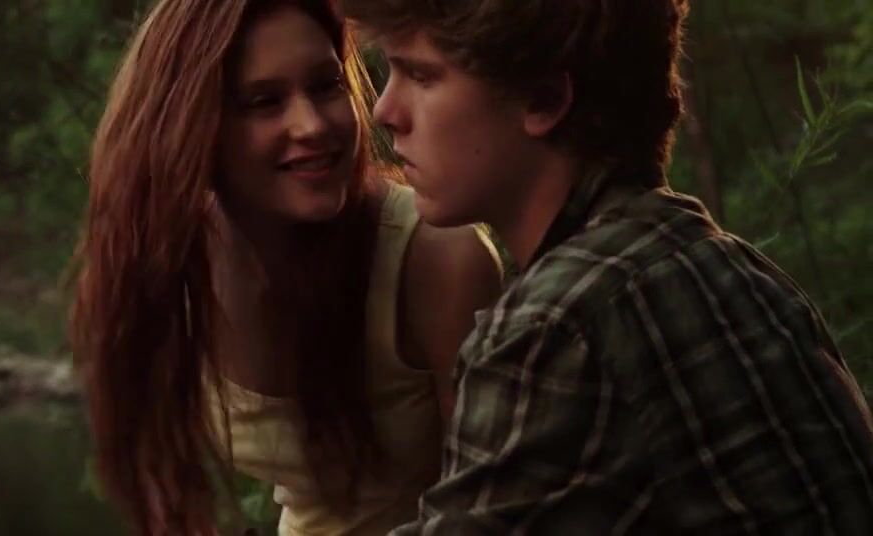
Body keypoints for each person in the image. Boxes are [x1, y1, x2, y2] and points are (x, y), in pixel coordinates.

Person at [336, 0, 873, 533]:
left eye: (422, 76)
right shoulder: (741, 270)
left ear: (545, 98)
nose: (385, 111)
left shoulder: (556, 324)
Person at [68, 0, 503, 534]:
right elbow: (163, 494)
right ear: (194, 124)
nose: (312, 124)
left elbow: (492, 509)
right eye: (264, 102)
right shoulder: (170, 262)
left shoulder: (437, 259)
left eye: (326, 86)